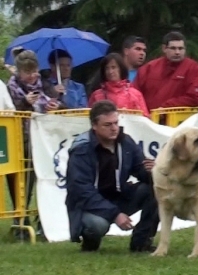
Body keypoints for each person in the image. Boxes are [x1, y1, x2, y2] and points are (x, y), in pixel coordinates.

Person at [65, 100, 159, 252]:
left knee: (155, 190)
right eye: (107, 125)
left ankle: (141, 243)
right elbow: (82, 191)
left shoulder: (125, 142)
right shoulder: (82, 150)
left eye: (116, 123)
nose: (114, 128)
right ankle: (90, 242)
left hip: (118, 195)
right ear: (94, 126)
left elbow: (140, 170)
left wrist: (153, 171)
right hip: (89, 205)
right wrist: (115, 214)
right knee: (97, 225)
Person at [6, 49, 60, 238]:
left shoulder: (44, 84)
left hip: (45, 139)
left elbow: (58, 101)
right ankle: (20, 219)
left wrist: (55, 105)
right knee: (23, 183)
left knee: (44, 179)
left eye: (34, 70)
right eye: (28, 72)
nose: (33, 75)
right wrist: (24, 103)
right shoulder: (10, 87)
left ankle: (44, 219)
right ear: (19, 72)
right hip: (21, 140)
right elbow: (10, 111)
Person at [133, 31, 198, 111]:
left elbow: (194, 98)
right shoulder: (149, 68)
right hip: (148, 119)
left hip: (180, 120)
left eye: (180, 48)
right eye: (173, 48)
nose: (177, 52)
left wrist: (166, 107)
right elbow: (134, 94)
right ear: (164, 48)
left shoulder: (193, 68)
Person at [88, 53, 150, 117]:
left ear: (121, 69)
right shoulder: (96, 95)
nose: (110, 71)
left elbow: (145, 119)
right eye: (107, 68)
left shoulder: (135, 94)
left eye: (113, 67)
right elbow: (90, 119)